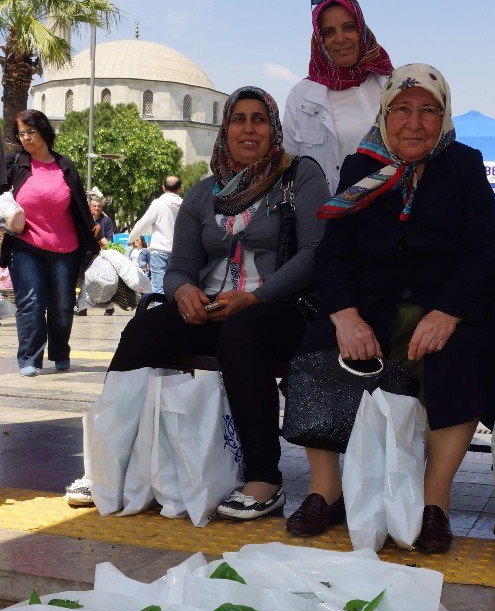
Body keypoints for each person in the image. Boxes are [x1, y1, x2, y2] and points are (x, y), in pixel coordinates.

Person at [64, 87, 328, 517]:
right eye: (238, 119)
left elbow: (315, 253)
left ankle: (265, 478)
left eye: (258, 119)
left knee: (243, 335)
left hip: (281, 307)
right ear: (225, 129)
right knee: (144, 330)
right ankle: (108, 466)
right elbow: (180, 266)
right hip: (212, 307)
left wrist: (255, 296)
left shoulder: (300, 176)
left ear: (274, 128)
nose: (248, 128)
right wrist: (182, 291)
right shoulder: (205, 192)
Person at [286, 63, 495, 553]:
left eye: (428, 110)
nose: (414, 121)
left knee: (463, 352)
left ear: (443, 117)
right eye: (402, 109)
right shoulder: (360, 167)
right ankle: (326, 488)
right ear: (385, 114)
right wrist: (343, 313)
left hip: (444, 308)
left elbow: (486, 250)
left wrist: (448, 312)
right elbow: (334, 249)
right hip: (374, 307)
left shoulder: (463, 165)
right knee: (318, 342)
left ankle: (435, 501)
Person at [0, 109, 99, 376]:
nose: (26, 138)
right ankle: (29, 358)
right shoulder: (16, 164)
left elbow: (78, 203)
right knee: (31, 301)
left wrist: (92, 230)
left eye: (31, 132)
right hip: (26, 246)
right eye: (21, 134)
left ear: (44, 131)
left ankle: (59, 352)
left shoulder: (64, 165)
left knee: (62, 305)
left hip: (66, 249)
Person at [283, 0, 392, 192]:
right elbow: (289, 165)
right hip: (331, 216)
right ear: (320, 39)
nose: (340, 38)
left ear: (361, 30)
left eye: (349, 27)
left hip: (392, 212)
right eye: (329, 32)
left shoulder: (389, 84)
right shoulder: (302, 96)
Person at [127, 175, 183, 294]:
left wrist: (131, 238)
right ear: (180, 189)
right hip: (178, 254)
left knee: (159, 290)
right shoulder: (184, 205)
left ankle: (161, 312)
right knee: (176, 290)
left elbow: (143, 223)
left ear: (163, 188)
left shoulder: (158, 203)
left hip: (159, 253)